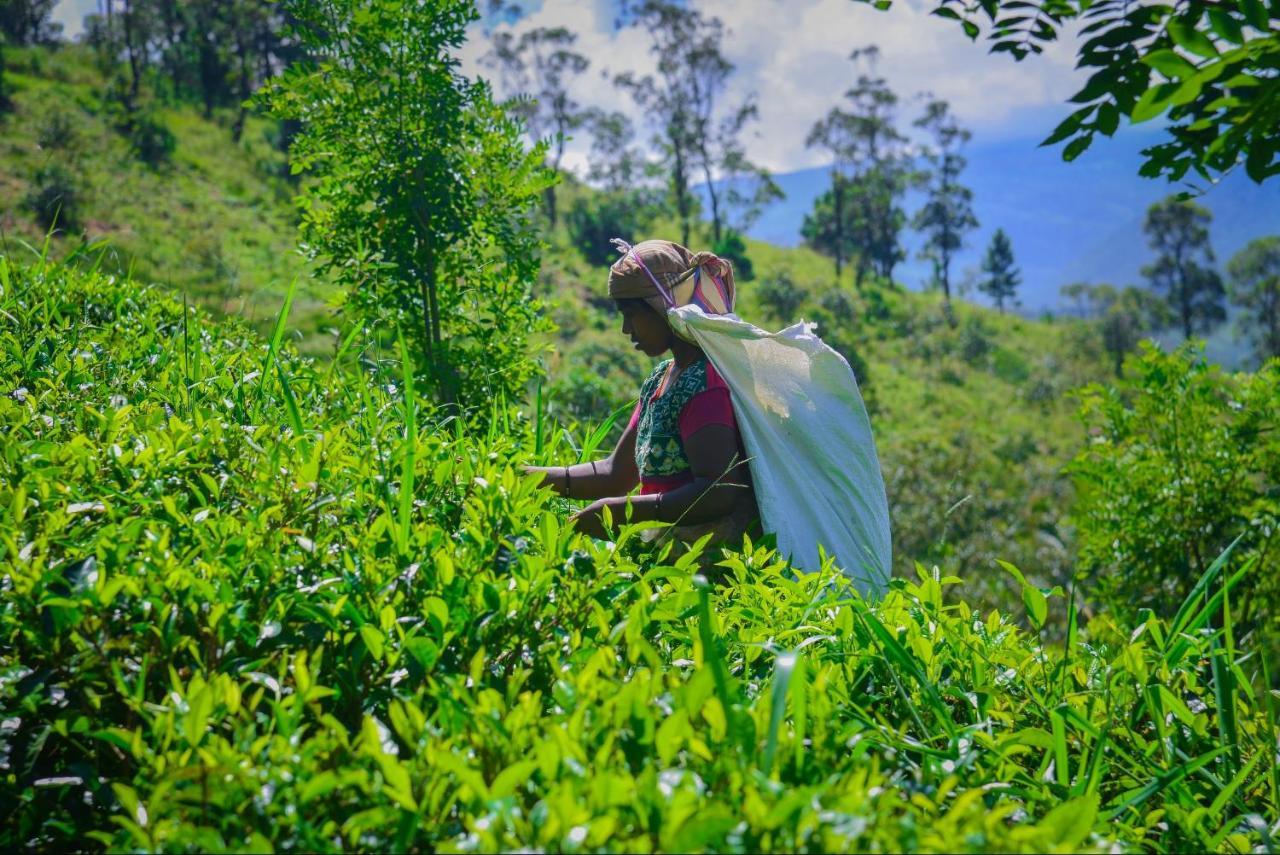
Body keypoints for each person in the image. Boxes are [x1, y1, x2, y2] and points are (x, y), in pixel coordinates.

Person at [525, 239, 761, 553]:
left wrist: (623, 513)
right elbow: (616, 474)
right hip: (666, 555)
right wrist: (527, 478)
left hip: (711, 566)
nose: (626, 329)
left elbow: (717, 491)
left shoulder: (707, 383)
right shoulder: (661, 379)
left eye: (632, 314)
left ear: (663, 306)